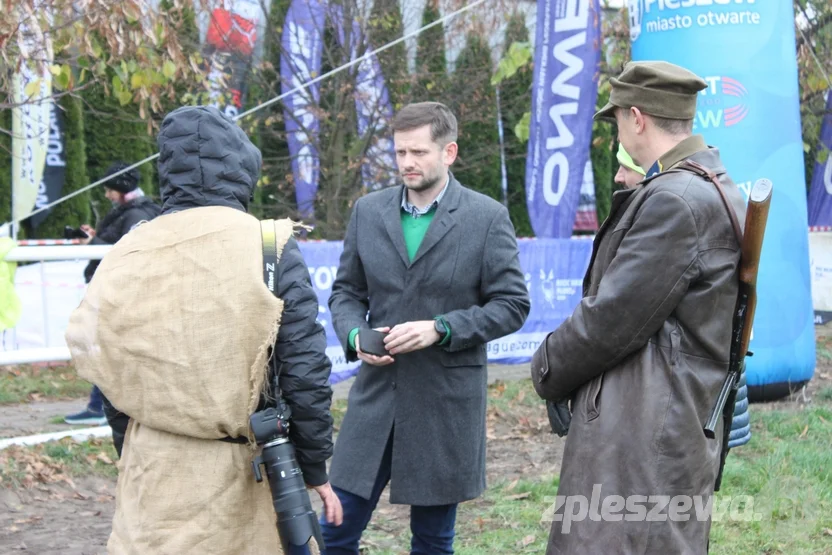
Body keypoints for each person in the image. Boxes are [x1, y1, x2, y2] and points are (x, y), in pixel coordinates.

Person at [65, 105, 342, 553]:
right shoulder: (269, 245)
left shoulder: (127, 251)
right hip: (240, 476)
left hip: (151, 472)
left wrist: (133, 450)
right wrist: (313, 468)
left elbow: (111, 371)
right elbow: (304, 371)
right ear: (239, 166)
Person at [530, 61, 747, 554]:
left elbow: (611, 320)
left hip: (647, 427)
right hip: (658, 414)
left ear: (637, 117)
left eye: (620, 120)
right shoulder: (702, 183)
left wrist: (546, 367)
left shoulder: (678, 198)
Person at [323, 101, 530, 554]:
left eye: (418, 152)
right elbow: (345, 295)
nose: (407, 163)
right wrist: (357, 337)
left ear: (449, 152)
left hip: (444, 404)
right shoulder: (367, 212)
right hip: (376, 398)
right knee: (334, 531)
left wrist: (442, 328)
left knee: (433, 542)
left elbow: (513, 305)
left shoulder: (486, 217)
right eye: (400, 153)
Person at [64, 161, 161, 435]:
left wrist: (91, 245)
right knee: (112, 349)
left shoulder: (136, 214)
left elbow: (122, 252)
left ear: (121, 188)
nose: (106, 195)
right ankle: (107, 406)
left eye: (110, 190)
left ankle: (98, 408)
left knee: (107, 349)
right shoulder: (133, 211)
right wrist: (94, 239)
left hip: (122, 294)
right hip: (123, 293)